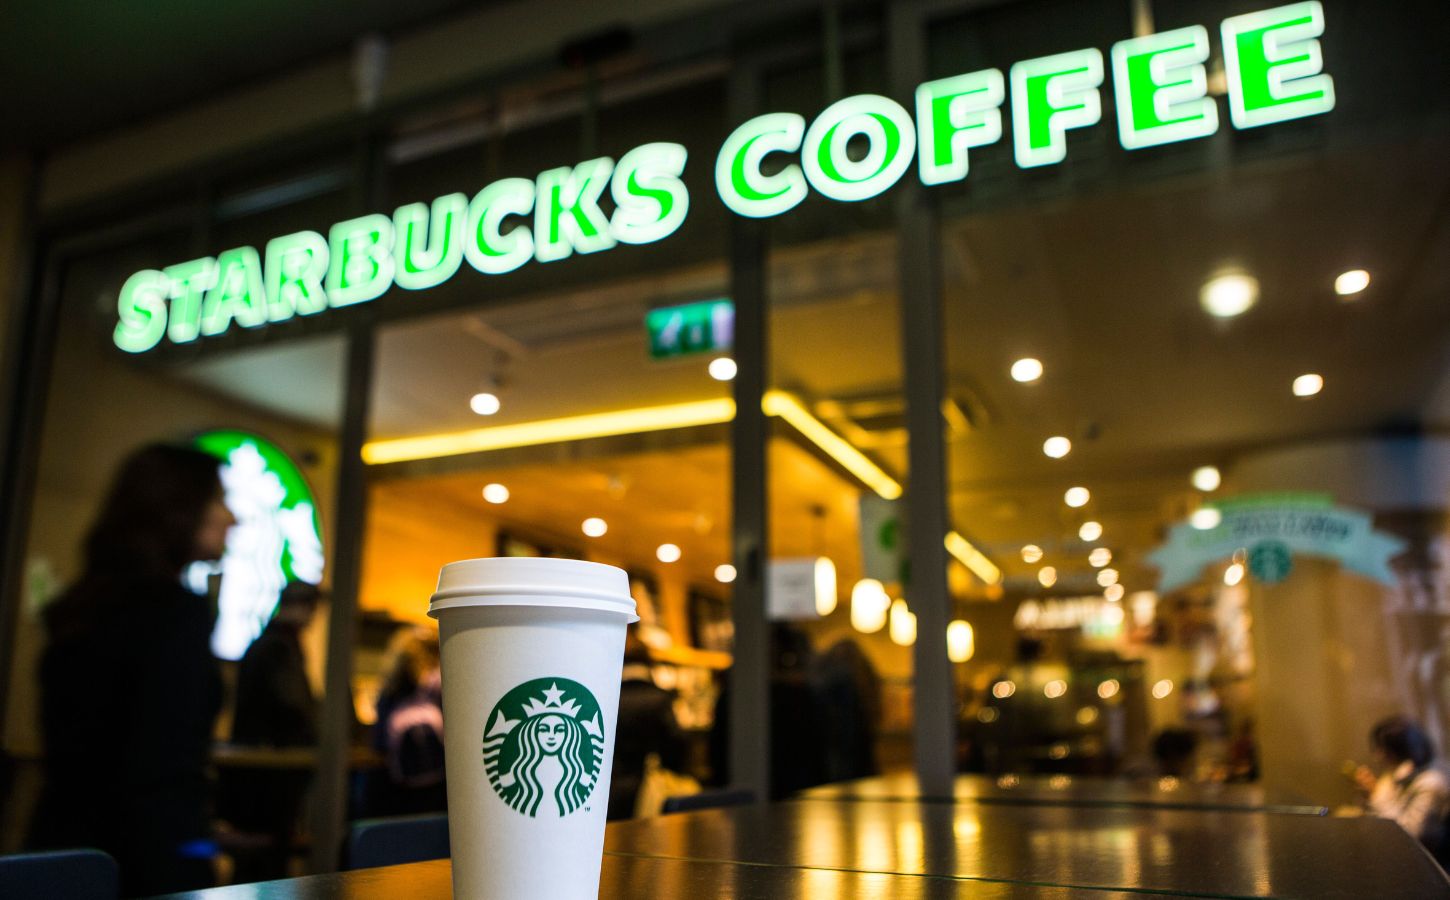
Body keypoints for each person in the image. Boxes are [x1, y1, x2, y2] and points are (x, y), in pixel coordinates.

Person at [28, 443, 234, 896]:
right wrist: (197, 861)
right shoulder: (175, 614)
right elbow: (165, 775)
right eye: (218, 499)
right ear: (178, 508)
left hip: (61, 860)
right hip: (141, 867)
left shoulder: (78, 608)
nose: (231, 517)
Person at [219, 581, 321, 882]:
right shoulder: (279, 646)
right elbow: (291, 706)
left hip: (256, 777)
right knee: (265, 869)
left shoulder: (267, 642)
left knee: (256, 867)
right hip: (268, 778)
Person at [608, 627, 687, 819]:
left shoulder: (606, 695)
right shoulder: (660, 698)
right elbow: (675, 744)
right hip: (643, 788)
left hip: (601, 787)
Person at [366, 626, 446, 816]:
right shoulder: (440, 686)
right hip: (439, 786)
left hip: (396, 787)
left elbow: (379, 743)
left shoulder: (389, 689)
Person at [1354, 715, 1450, 855]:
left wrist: (1376, 793)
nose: (1377, 756)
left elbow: (1410, 834)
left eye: (1381, 749)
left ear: (1397, 750)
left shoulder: (1431, 784)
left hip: (1426, 862)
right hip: (1400, 854)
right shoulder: (1395, 777)